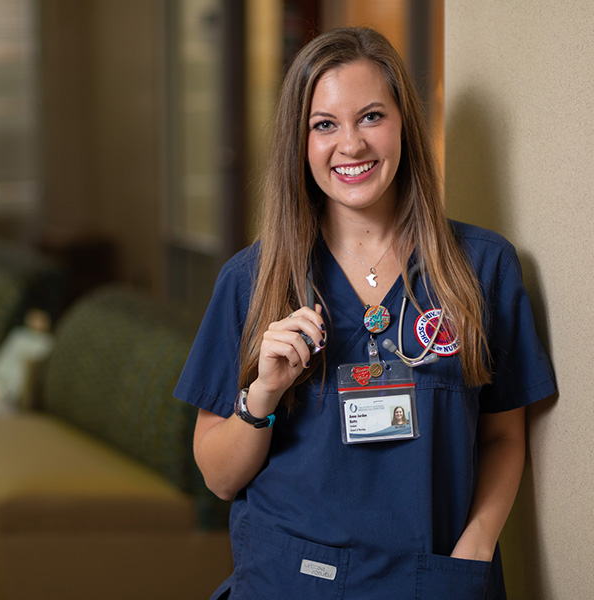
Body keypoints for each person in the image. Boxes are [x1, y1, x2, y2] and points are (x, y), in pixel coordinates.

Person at [174, 26, 555, 600]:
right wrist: (265, 394)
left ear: (404, 122)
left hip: (431, 582)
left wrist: (474, 549)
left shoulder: (481, 268)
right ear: (300, 144)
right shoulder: (252, 281)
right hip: (290, 581)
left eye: (371, 116)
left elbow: (504, 437)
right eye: (324, 125)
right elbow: (219, 477)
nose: (350, 145)